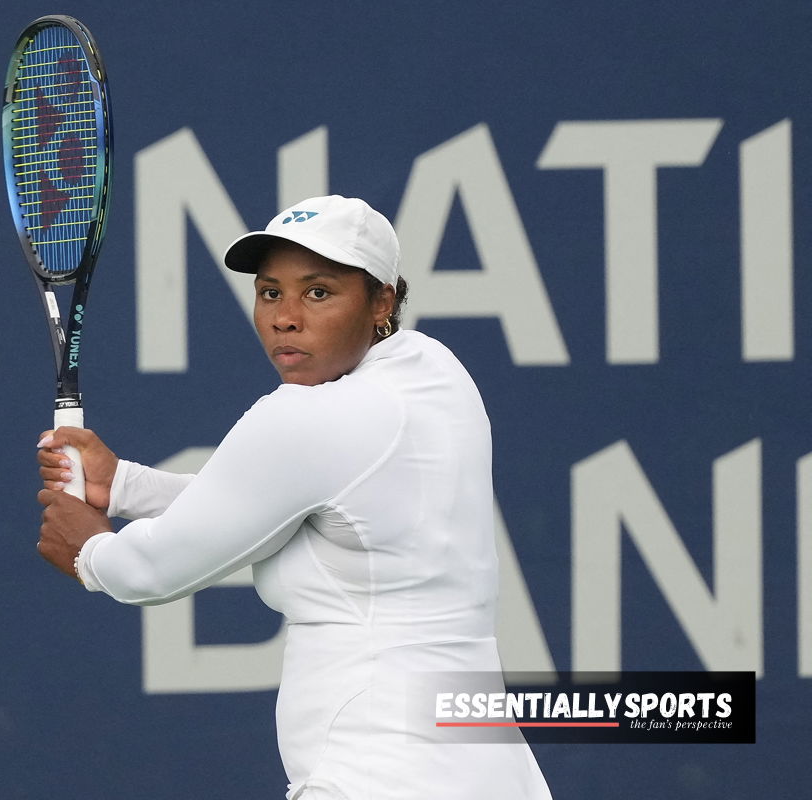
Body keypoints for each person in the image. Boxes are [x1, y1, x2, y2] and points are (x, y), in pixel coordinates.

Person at [35, 195, 553, 800]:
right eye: (270, 292)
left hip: (374, 776)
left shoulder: (307, 417)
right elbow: (302, 508)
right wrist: (125, 485)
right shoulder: (434, 373)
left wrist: (88, 550)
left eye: (318, 292)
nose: (285, 317)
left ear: (382, 300)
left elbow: (149, 571)